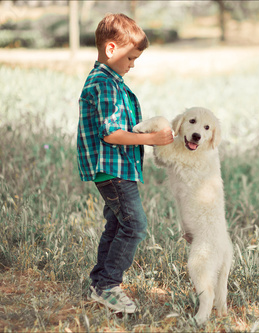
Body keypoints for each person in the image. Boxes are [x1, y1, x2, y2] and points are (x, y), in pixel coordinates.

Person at [76, 13, 173, 313]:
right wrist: (151, 140)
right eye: (130, 58)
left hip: (116, 169)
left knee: (117, 223)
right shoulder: (105, 84)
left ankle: (98, 281)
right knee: (135, 225)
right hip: (112, 169)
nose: (132, 65)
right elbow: (112, 134)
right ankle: (109, 286)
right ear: (110, 50)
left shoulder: (109, 80)